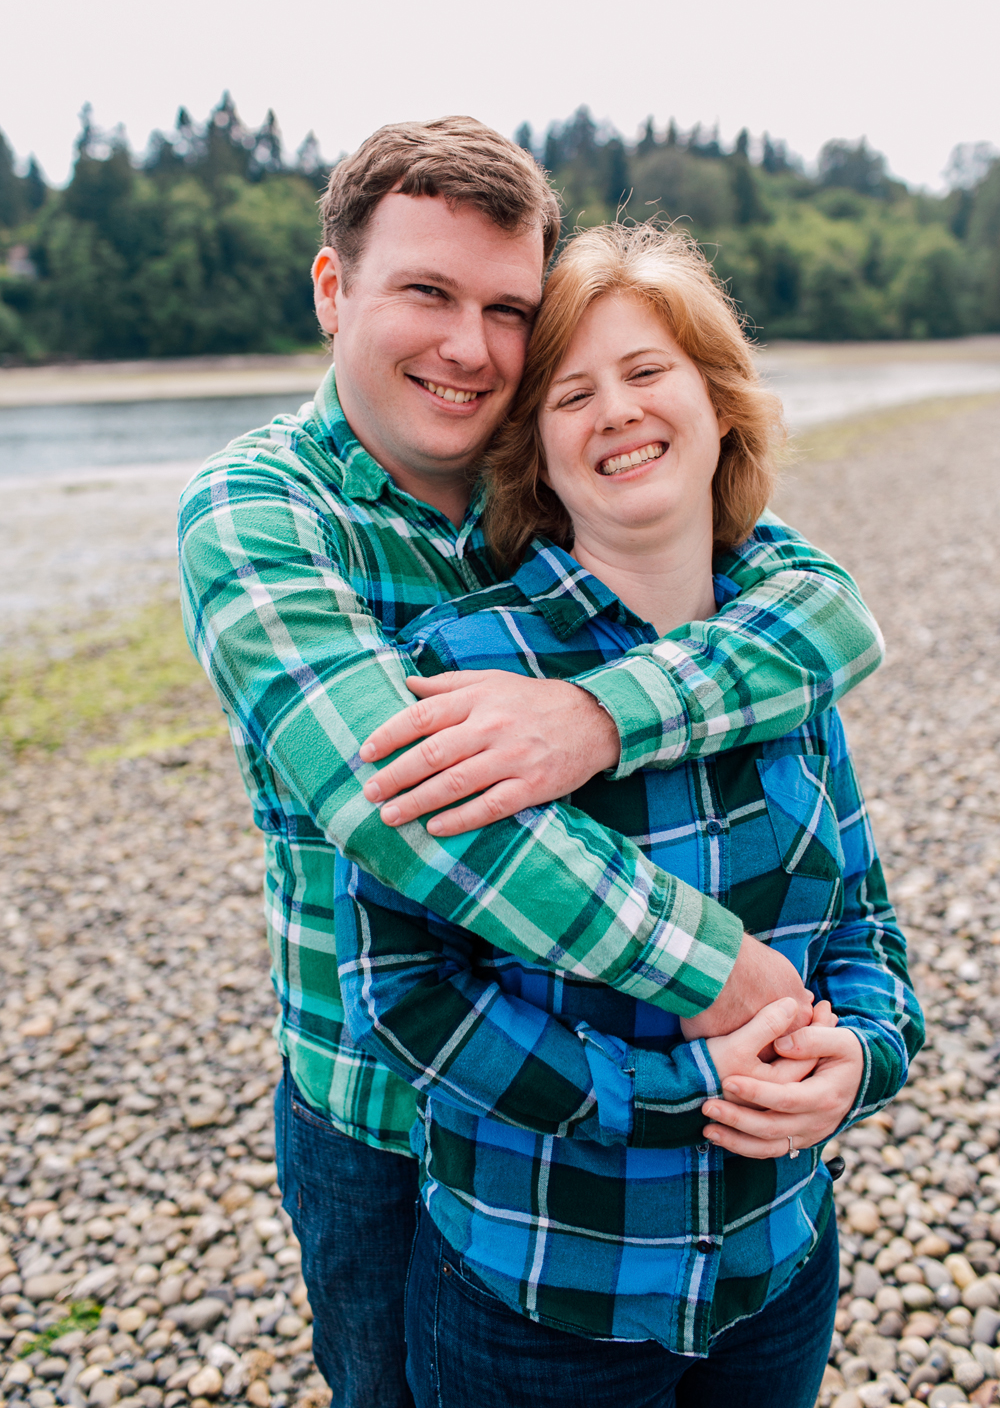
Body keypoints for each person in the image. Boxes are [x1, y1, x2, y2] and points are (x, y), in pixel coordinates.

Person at [178, 119, 886, 1408]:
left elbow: (828, 617)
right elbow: (412, 822)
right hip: (383, 1109)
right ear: (334, 289)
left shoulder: (562, 496)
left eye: (508, 309)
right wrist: (728, 978)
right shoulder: (259, 512)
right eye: (426, 293)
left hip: (660, 1154)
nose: (469, 346)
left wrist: (597, 715)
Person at [336, 223, 924, 1408]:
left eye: (647, 373)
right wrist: (675, 1088)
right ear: (534, 457)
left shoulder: (784, 657)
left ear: (718, 408)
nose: (615, 413)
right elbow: (407, 996)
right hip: (542, 1294)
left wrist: (857, 1061)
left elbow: (863, 932)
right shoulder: (459, 667)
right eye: (570, 393)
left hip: (775, 1272)